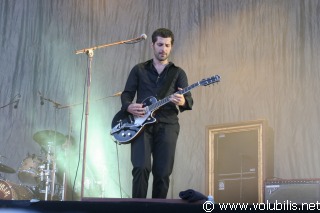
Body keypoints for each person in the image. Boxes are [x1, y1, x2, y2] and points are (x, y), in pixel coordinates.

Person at [120, 28, 193, 198]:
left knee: (162, 173)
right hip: (141, 125)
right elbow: (126, 94)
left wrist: (182, 101)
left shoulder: (178, 73)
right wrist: (128, 106)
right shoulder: (139, 69)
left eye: (167, 45)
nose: (163, 49)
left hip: (167, 125)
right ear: (152, 45)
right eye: (160, 44)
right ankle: (138, 210)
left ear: (171, 47)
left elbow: (188, 100)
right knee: (140, 168)